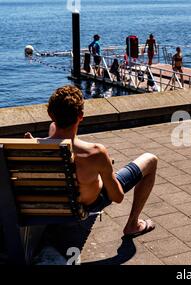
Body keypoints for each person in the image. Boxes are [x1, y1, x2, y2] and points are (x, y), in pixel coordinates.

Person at [25, 86, 159, 238]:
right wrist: (104, 171)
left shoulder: (32, 146)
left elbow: (54, 128)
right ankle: (132, 225)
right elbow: (117, 197)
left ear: (50, 114)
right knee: (151, 159)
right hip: (88, 203)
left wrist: (35, 143)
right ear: (81, 116)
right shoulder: (95, 152)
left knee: (53, 130)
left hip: (55, 201)